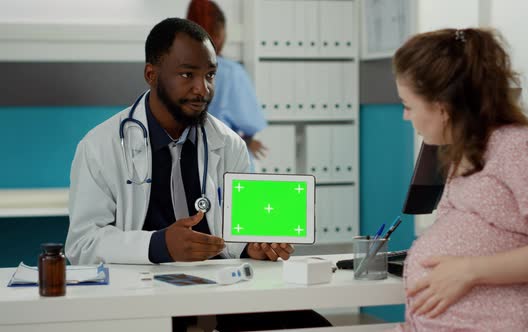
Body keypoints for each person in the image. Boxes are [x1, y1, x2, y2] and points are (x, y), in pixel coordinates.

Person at [66, 18, 330, 332]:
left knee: (312, 326)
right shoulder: (100, 146)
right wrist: (160, 244)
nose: (202, 89)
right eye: (187, 74)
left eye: (210, 75)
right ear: (152, 75)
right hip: (139, 297)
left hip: (220, 292)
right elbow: (82, 245)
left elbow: (235, 232)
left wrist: (250, 246)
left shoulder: (228, 144)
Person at [390, 28, 528, 331]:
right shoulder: (463, 156)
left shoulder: (521, 148)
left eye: (408, 105)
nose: (406, 117)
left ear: (442, 107)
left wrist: (469, 271)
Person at [187, 0, 268, 161]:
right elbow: (251, 123)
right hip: (223, 168)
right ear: (218, 33)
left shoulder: (173, 70)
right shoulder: (230, 72)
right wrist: (247, 139)